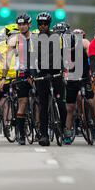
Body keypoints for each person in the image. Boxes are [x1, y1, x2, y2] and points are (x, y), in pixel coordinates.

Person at [1, 14, 38, 144]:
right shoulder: (14, 40)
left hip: (36, 72)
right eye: (20, 25)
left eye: (24, 24)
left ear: (29, 25)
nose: (22, 27)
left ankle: (39, 129)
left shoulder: (37, 38)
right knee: (22, 102)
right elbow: (7, 59)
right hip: (22, 73)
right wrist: (3, 78)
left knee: (38, 101)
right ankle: (21, 135)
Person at [32, 12, 67, 146]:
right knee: (43, 106)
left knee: (61, 104)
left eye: (45, 23)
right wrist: (33, 74)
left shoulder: (57, 37)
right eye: (40, 24)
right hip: (42, 75)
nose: (42, 26)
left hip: (57, 73)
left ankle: (64, 127)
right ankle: (44, 135)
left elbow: (64, 55)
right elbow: (32, 58)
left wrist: (65, 71)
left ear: (49, 24)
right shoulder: (34, 39)